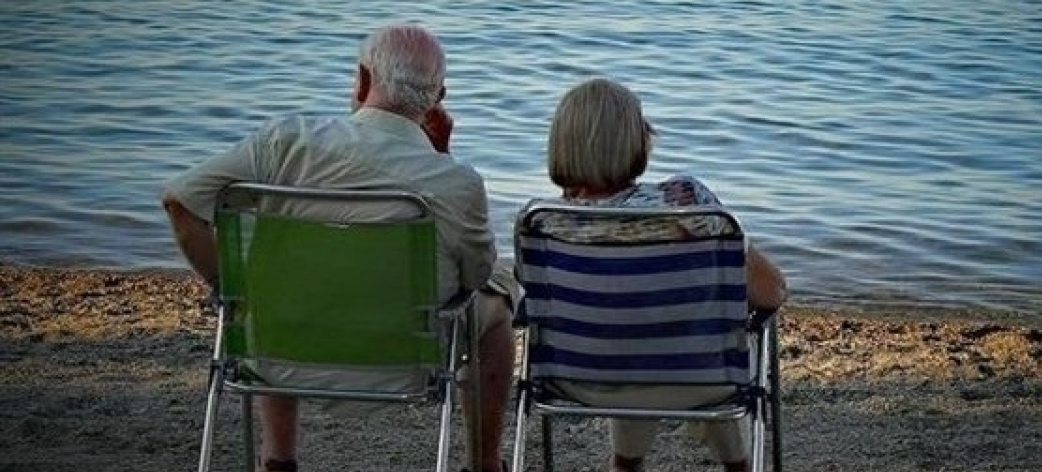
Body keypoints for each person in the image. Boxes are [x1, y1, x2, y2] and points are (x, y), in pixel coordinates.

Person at [161, 24, 514, 472]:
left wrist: (234, 291)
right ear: (437, 98)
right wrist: (439, 158)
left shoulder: (283, 144)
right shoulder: (454, 181)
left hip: (278, 354)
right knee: (499, 300)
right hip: (400, 365)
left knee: (275, 282)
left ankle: (278, 458)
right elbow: (476, 274)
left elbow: (179, 201)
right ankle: (484, 464)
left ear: (364, 80)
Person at [539, 77, 787, 472]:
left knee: (626, 325)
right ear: (635, 141)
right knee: (704, 327)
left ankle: (626, 463)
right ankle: (739, 465)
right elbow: (771, 292)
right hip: (703, 378)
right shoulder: (687, 202)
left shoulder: (543, 223)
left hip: (580, 380)